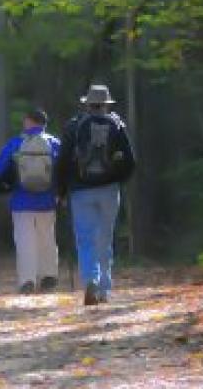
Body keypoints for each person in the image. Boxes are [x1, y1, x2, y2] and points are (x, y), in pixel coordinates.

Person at [57, 85, 136, 306]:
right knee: (105, 238)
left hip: (81, 191)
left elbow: (62, 161)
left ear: (87, 104)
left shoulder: (74, 126)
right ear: (106, 104)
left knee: (85, 238)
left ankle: (90, 279)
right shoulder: (117, 125)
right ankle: (104, 289)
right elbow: (130, 160)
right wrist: (118, 178)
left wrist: (61, 190)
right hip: (109, 190)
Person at [0, 109, 62, 294]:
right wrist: (60, 193)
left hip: (21, 200)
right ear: (44, 123)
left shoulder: (16, 143)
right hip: (47, 201)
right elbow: (63, 171)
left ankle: (27, 280)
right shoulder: (54, 143)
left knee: (25, 241)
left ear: (28, 122)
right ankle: (49, 275)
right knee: (47, 237)